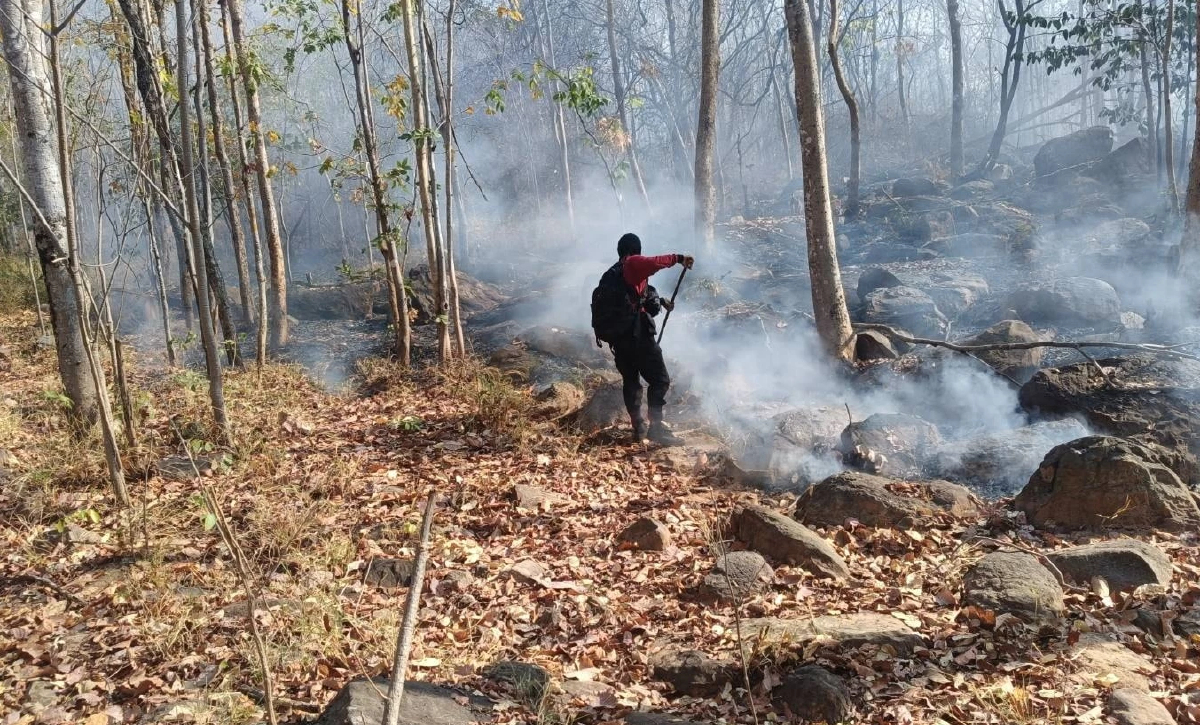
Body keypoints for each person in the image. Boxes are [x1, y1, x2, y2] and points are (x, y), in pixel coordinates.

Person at [603, 232, 694, 445]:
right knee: (660, 380)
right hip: (638, 338)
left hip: (619, 340)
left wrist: (659, 302)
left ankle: (639, 427)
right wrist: (679, 258)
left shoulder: (613, 274)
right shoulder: (632, 263)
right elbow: (654, 262)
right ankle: (656, 428)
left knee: (631, 382)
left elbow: (636, 300)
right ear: (635, 250)